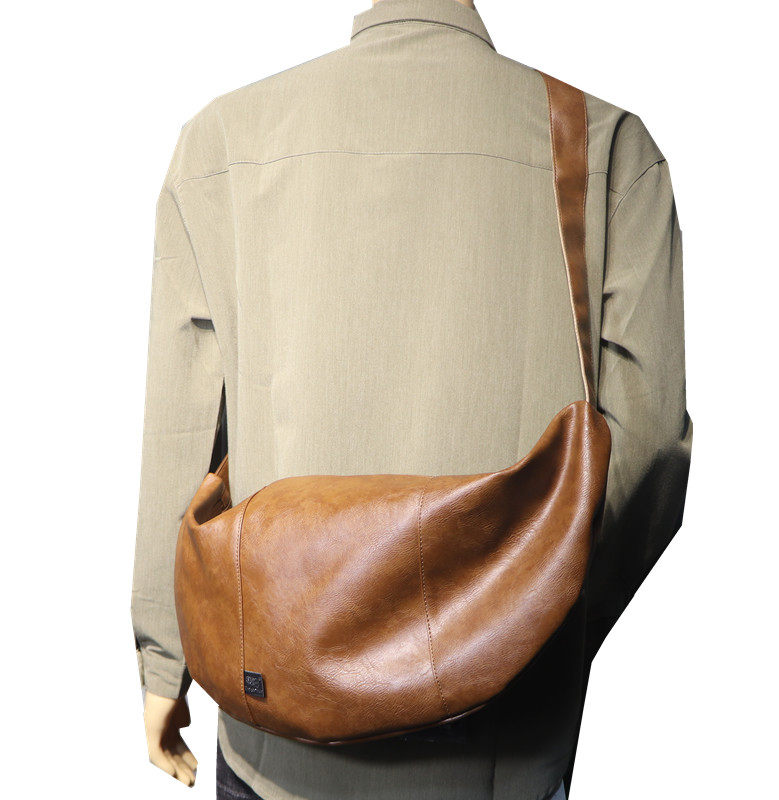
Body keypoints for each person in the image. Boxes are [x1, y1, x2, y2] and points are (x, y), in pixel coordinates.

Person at [131, 0, 693, 798]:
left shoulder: (220, 142)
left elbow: (182, 427)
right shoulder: (604, 146)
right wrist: (534, 624)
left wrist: (166, 663)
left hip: (274, 735)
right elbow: (653, 443)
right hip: (501, 753)